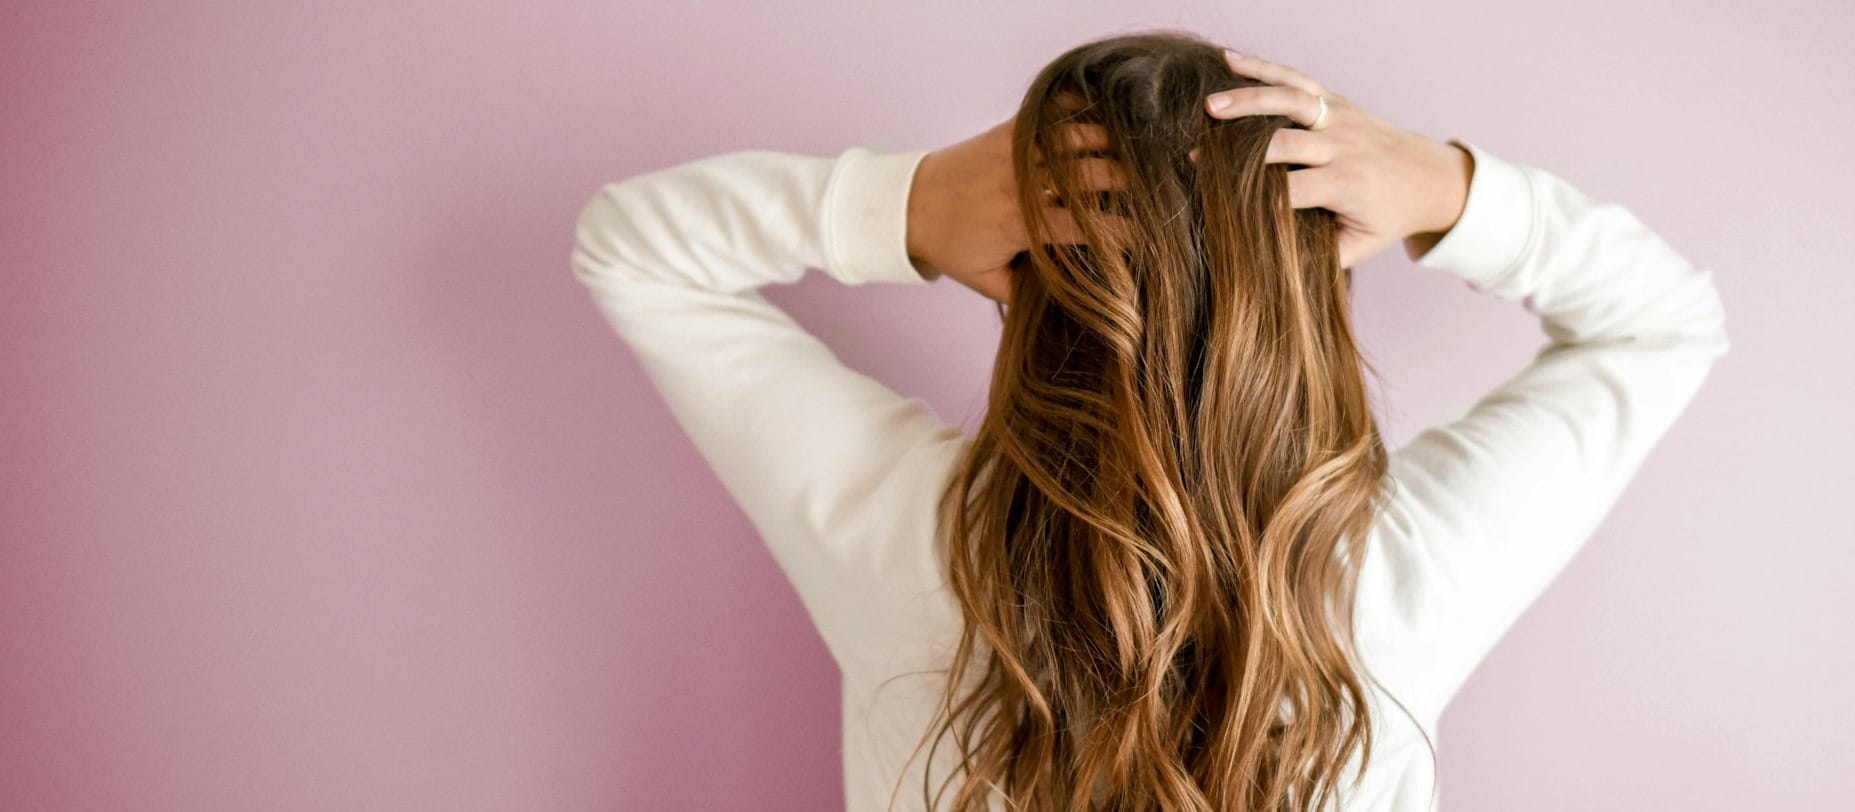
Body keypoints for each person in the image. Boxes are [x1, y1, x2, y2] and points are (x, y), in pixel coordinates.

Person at [568, 30, 1729, 812]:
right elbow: (1661, 322)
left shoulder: (913, 541)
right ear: (1311, 288)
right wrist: (1442, 188)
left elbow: (633, 248)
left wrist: (911, 203)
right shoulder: (1387, 578)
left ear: (1021, 267)